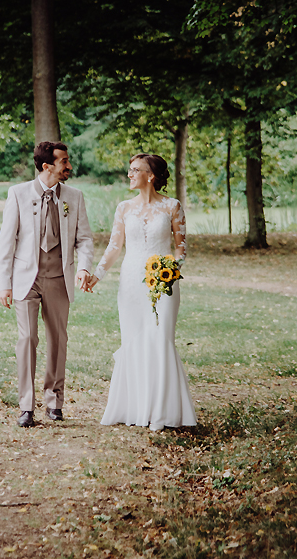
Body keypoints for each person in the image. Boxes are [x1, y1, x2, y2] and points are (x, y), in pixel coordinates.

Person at [86, 153, 197, 430]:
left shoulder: (173, 206)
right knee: (133, 339)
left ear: (151, 175)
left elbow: (181, 248)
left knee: (160, 339)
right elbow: (114, 247)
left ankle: (162, 411)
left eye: (135, 170)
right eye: (130, 169)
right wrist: (96, 275)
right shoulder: (124, 208)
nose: (129, 174)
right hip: (131, 281)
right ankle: (134, 408)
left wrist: (170, 269)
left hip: (164, 282)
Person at [0, 142, 95, 427]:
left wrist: (84, 266)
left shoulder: (74, 197)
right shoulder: (18, 194)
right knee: (27, 339)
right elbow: (7, 241)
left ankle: (54, 401)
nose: (69, 166)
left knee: (58, 340)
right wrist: (5, 283)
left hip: (58, 278)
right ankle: (26, 406)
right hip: (26, 278)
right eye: (64, 161)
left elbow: (84, 239)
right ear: (46, 166)